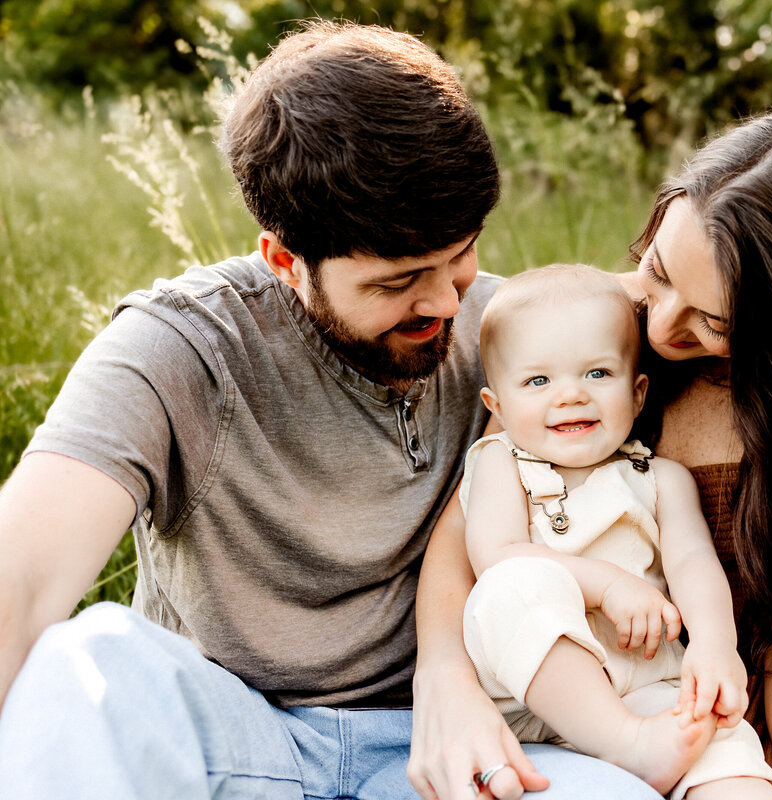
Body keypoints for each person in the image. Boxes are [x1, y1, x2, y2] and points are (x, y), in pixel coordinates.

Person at [0, 21, 661, 799]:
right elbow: (23, 582)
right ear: (285, 259)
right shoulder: (179, 348)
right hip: (236, 736)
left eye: (463, 254)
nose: (448, 300)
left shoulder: (516, 333)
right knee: (89, 663)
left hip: (450, 741)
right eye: (399, 281)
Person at [409, 113, 772, 800]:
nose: (659, 324)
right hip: (562, 673)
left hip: (710, 682)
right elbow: (471, 547)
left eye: (713, 321)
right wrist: (443, 679)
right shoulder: (590, 338)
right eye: (657, 269)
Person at [458, 265, 772, 799]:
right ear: (497, 405)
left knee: (722, 746)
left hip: (648, 683)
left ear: (637, 394)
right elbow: (496, 555)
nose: (570, 396)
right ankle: (622, 742)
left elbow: (693, 563)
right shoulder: (500, 464)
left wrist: (716, 643)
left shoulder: (662, 479)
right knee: (511, 584)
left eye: (597, 374)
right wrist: (608, 584)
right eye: (538, 381)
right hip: (535, 693)